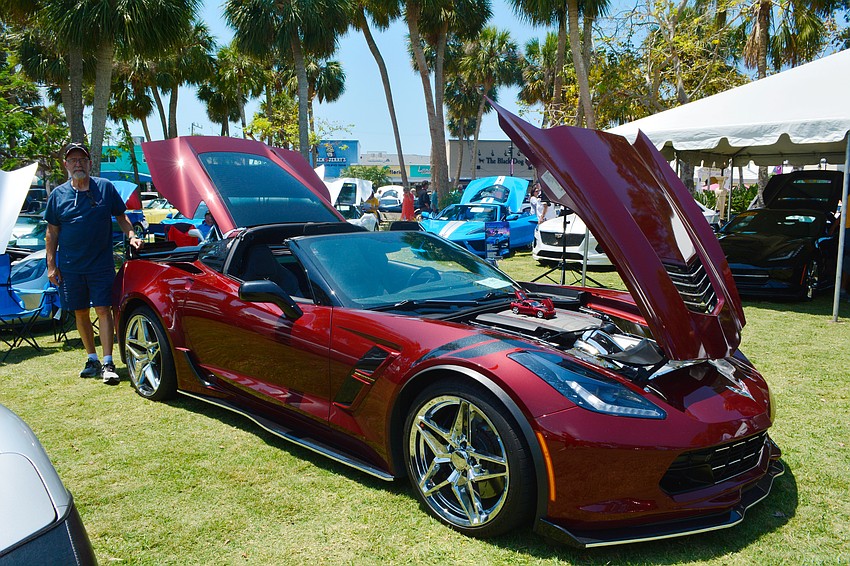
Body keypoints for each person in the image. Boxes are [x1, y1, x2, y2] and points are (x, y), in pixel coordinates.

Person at [45, 142, 143, 385]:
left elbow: (123, 218)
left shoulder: (105, 188)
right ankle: (92, 359)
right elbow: (52, 234)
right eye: (73, 160)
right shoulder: (58, 195)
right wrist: (51, 265)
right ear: (66, 165)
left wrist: (131, 235)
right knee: (79, 311)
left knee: (103, 309)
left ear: (89, 163)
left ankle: (108, 362)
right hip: (70, 266)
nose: (78, 164)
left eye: (82, 160)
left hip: (101, 264)